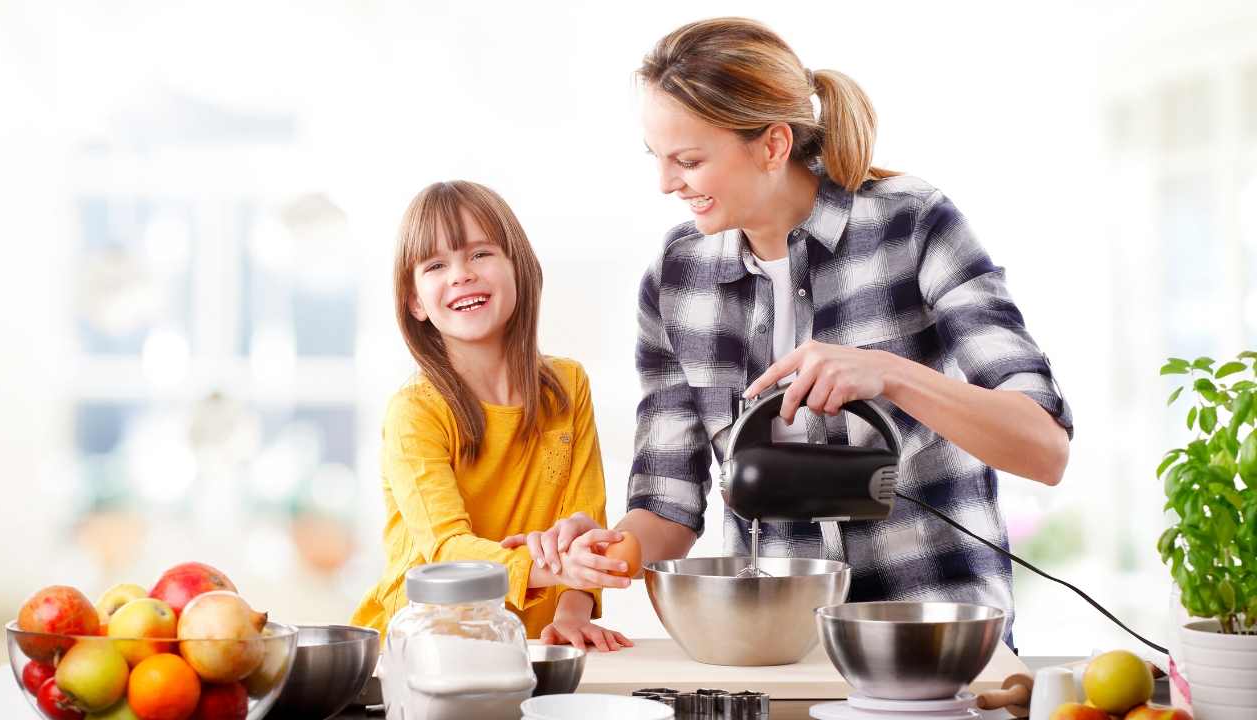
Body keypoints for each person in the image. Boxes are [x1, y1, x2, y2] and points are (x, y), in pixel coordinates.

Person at [521, 17, 1072, 645]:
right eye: (658, 158)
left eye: (689, 160)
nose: (666, 183)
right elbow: (668, 503)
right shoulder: (676, 279)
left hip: (930, 642)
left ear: (773, 145)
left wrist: (889, 372)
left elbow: (1044, 447)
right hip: (772, 649)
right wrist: (605, 552)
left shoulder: (913, 225)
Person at [351, 180, 632, 652]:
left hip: (530, 649)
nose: (461, 275)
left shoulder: (568, 388)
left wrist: (571, 612)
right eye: (436, 265)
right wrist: (556, 567)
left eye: (480, 254)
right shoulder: (415, 412)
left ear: (517, 267)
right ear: (415, 302)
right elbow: (445, 552)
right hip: (418, 651)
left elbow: (585, 524)